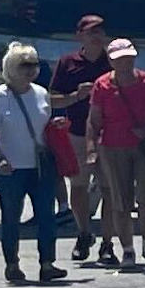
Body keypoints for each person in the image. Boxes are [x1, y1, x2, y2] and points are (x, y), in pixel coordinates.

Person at [0, 42, 71, 284]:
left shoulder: (42, 93)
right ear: (11, 67)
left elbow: (44, 124)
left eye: (34, 65)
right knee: (11, 217)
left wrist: (57, 127)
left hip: (40, 167)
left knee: (46, 216)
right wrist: (0, 157)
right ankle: (12, 264)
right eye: (25, 65)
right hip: (11, 169)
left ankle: (47, 264)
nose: (31, 70)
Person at [90, 38, 145, 269]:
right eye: (119, 58)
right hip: (113, 148)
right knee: (120, 201)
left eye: (128, 57)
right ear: (112, 61)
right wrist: (91, 150)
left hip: (143, 147)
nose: (125, 62)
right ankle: (127, 250)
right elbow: (94, 121)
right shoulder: (102, 85)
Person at [49, 13, 111, 255]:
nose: (97, 36)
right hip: (76, 132)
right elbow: (51, 98)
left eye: (100, 31)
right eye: (91, 31)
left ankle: (108, 242)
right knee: (78, 186)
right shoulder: (68, 63)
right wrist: (76, 95)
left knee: (109, 189)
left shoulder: (111, 62)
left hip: (108, 134)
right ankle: (84, 232)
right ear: (80, 35)